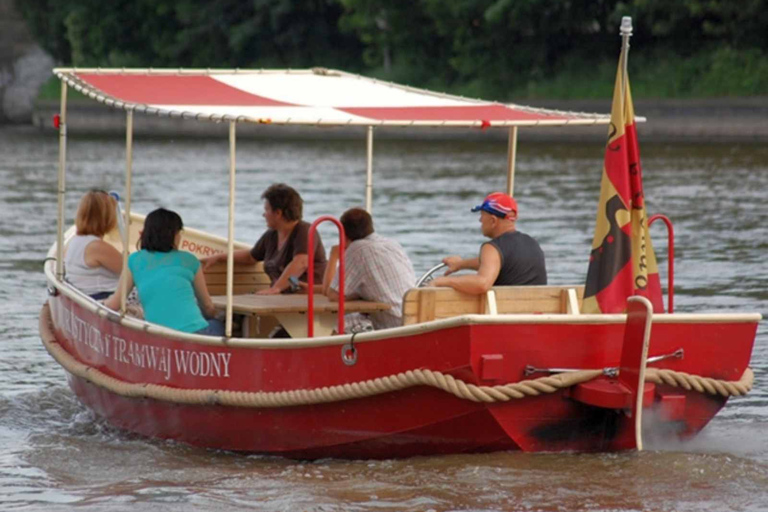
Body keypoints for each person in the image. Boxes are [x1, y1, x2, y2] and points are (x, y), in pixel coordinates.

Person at [105, 208, 224, 335]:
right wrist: (218, 316)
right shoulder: (190, 260)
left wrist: (102, 302)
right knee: (219, 325)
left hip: (159, 335)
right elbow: (207, 307)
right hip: (197, 332)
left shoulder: (134, 260)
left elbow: (114, 304)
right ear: (174, 235)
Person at [201, 183, 327, 294]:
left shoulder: (304, 230)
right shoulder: (271, 235)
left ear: (278, 213)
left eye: (266, 210)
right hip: (283, 297)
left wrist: (276, 288)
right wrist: (218, 257)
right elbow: (251, 256)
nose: (263, 215)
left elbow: (301, 262)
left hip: (308, 299)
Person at [430, 192, 546, 294]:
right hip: (538, 314)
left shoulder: (492, 247)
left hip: (507, 316)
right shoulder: (533, 243)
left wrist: (442, 281)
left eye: (482, 215)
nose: (480, 220)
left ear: (493, 221)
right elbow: (496, 263)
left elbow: (482, 283)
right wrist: (460, 264)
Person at [323, 207, 416, 331]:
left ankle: (330, 349)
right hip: (412, 317)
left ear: (343, 234)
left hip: (392, 324)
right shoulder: (391, 243)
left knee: (337, 323)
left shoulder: (357, 249)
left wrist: (334, 255)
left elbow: (333, 295)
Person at [64, 189, 122, 300]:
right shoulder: (97, 247)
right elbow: (133, 272)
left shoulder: (73, 242)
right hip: (103, 301)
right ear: (107, 217)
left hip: (85, 297)